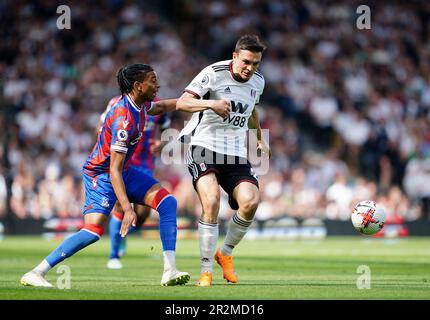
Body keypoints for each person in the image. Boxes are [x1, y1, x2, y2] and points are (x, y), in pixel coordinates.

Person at [20, 63, 190, 287]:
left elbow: (163, 107)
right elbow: (114, 169)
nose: (158, 85)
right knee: (93, 230)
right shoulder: (123, 118)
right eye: (153, 80)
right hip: (101, 173)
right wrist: (127, 208)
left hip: (124, 169)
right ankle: (37, 272)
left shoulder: (140, 105)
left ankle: (170, 270)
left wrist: (203, 103)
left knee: (167, 203)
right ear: (138, 86)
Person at [176, 35, 270, 286]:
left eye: (256, 64)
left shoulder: (258, 82)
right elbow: (182, 102)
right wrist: (212, 104)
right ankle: (205, 271)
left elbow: (252, 110)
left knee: (250, 202)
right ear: (235, 56)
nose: (250, 68)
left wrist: (259, 138)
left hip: (235, 152)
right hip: (203, 146)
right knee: (212, 200)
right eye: (246, 62)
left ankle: (225, 253)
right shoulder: (213, 73)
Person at [101, 95, 172, 269]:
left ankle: (121, 235)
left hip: (145, 163)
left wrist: (162, 143)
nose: (156, 86)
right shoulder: (116, 103)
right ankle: (113, 255)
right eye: (151, 81)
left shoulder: (156, 105)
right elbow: (102, 127)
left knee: (142, 215)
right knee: (120, 206)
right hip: (123, 161)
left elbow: (166, 129)